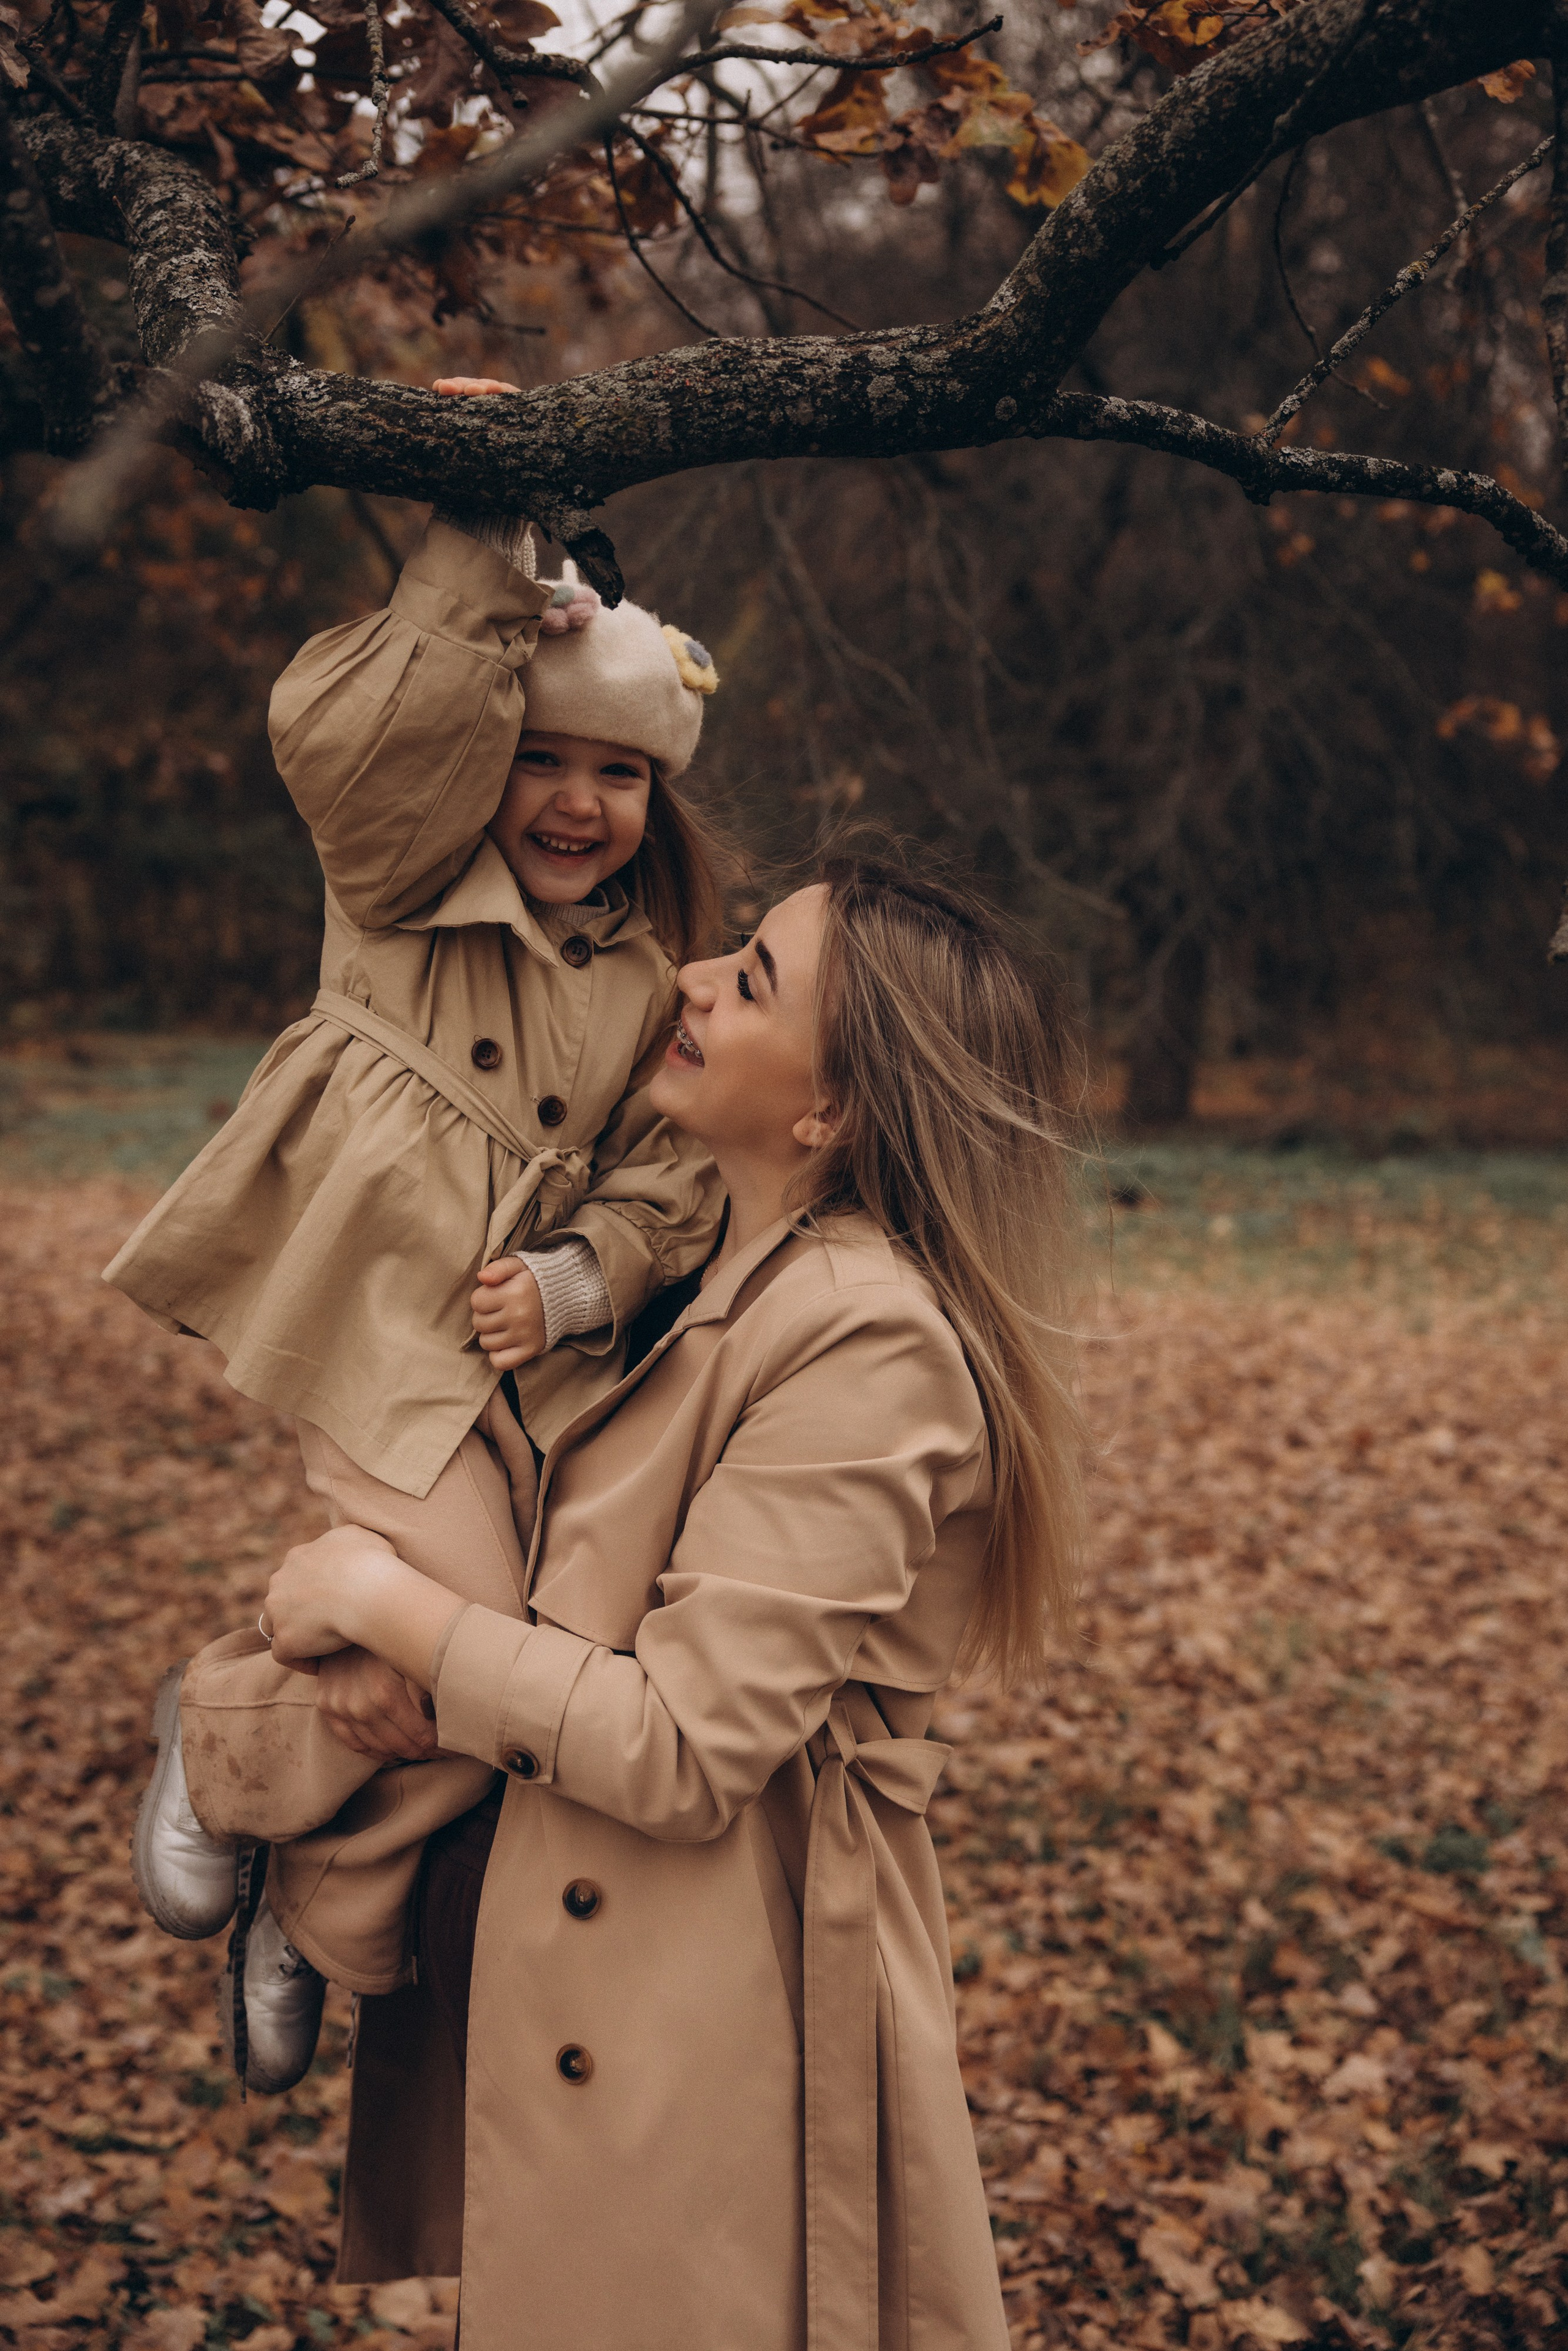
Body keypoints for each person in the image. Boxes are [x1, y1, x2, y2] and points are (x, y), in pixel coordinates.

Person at [259, 857, 1085, 2351]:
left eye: (754, 978)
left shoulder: (867, 1338)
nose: (695, 979)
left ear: (831, 1106)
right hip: (609, 1980)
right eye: (730, 953)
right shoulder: (700, 1264)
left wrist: (389, 1609)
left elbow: (687, 1742)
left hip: (720, 2020)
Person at [118, 421, 727, 2092]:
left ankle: (273, 1825)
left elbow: (673, 1174)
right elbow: (366, 739)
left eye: (623, 774)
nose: (584, 803)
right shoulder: (402, 881)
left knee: (514, 1659)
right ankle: (265, 1807)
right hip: (376, 1316)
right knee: (478, 1634)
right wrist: (478, 518)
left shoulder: (648, 978)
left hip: (524, 1380)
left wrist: (587, 1270)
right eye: (548, 759)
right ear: (487, 757)